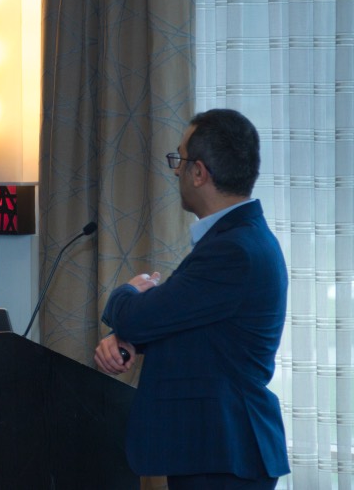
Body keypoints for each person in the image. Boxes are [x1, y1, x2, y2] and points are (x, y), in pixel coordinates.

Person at [94, 109, 290, 489]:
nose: (175, 172)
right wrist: (127, 340)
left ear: (199, 172)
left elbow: (135, 316)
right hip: (217, 449)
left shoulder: (233, 249)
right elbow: (194, 327)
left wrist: (128, 292)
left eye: (179, 160)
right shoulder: (239, 238)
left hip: (224, 452)